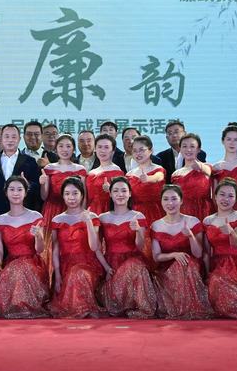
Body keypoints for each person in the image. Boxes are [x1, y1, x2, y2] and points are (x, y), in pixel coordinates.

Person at [97, 177, 156, 318]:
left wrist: (138, 231)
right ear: (110, 194)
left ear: (129, 193)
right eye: (116, 191)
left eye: (124, 191)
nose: (120, 194)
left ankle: (140, 306)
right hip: (111, 263)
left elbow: (140, 246)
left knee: (136, 267)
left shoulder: (138, 216)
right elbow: (97, 248)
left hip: (133, 258)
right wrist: (106, 268)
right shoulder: (102, 218)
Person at [0, 176, 50, 318]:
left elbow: (40, 250)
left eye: (19, 189)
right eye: (12, 189)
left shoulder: (35, 216)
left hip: (32, 263)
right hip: (10, 262)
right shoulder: (0, 220)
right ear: (6, 193)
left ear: (25, 192)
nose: (16, 193)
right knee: (14, 270)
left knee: (20, 268)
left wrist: (38, 236)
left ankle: (23, 305)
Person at [0, 124, 41, 269]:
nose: (10, 140)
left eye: (14, 137)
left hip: (21, 217)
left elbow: (37, 188)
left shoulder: (29, 161)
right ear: (1, 139)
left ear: (19, 139)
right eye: (7, 136)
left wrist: (28, 184)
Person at [151, 185, 213, 319]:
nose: (170, 203)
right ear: (161, 201)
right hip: (165, 270)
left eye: (174, 199)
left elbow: (198, 254)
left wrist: (190, 236)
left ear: (181, 201)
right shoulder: (156, 225)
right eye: (166, 199)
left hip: (191, 267)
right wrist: (173, 255)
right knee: (177, 265)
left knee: (183, 264)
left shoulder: (192, 221)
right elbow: (156, 257)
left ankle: (188, 307)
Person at [48, 177, 104, 318]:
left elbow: (94, 247)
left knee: (78, 273)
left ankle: (82, 309)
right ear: (62, 196)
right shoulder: (57, 220)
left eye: (75, 193)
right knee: (72, 274)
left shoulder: (92, 216)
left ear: (82, 195)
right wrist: (57, 275)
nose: (71, 197)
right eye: (67, 194)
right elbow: (55, 250)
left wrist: (88, 222)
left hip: (88, 264)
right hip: (65, 266)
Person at [203, 178, 237, 319]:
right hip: (217, 262)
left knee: (220, 280)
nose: (225, 199)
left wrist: (231, 231)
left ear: (236, 199)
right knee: (213, 280)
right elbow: (206, 251)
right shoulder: (208, 220)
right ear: (215, 196)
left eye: (230, 196)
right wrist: (206, 272)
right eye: (222, 194)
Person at [40, 134, 87, 275]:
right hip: (52, 211)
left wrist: (83, 215)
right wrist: (42, 183)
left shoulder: (80, 169)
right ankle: (53, 280)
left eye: (68, 146)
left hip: (74, 211)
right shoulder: (49, 168)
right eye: (61, 146)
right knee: (51, 247)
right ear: (56, 148)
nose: (64, 149)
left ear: (73, 149)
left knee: (72, 246)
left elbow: (84, 196)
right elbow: (44, 196)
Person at [171, 133, 213, 221]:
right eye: (184, 146)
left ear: (198, 149)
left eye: (192, 146)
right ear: (180, 149)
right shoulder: (175, 174)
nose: (188, 150)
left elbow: (210, 172)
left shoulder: (207, 168)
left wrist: (200, 167)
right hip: (182, 216)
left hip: (204, 214)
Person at [126, 136, 166, 227]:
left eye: (141, 150)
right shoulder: (129, 174)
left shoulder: (158, 169)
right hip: (135, 215)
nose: (138, 153)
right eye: (135, 151)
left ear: (150, 150)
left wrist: (149, 178)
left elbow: (159, 177)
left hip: (155, 213)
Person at [85, 134, 123, 215]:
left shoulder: (117, 171)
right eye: (99, 147)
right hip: (92, 212)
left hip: (110, 212)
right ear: (95, 149)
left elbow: (123, 197)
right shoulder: (91, 173)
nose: (102, 150)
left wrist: (111, 190)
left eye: (106, 147)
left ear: (113, 151)